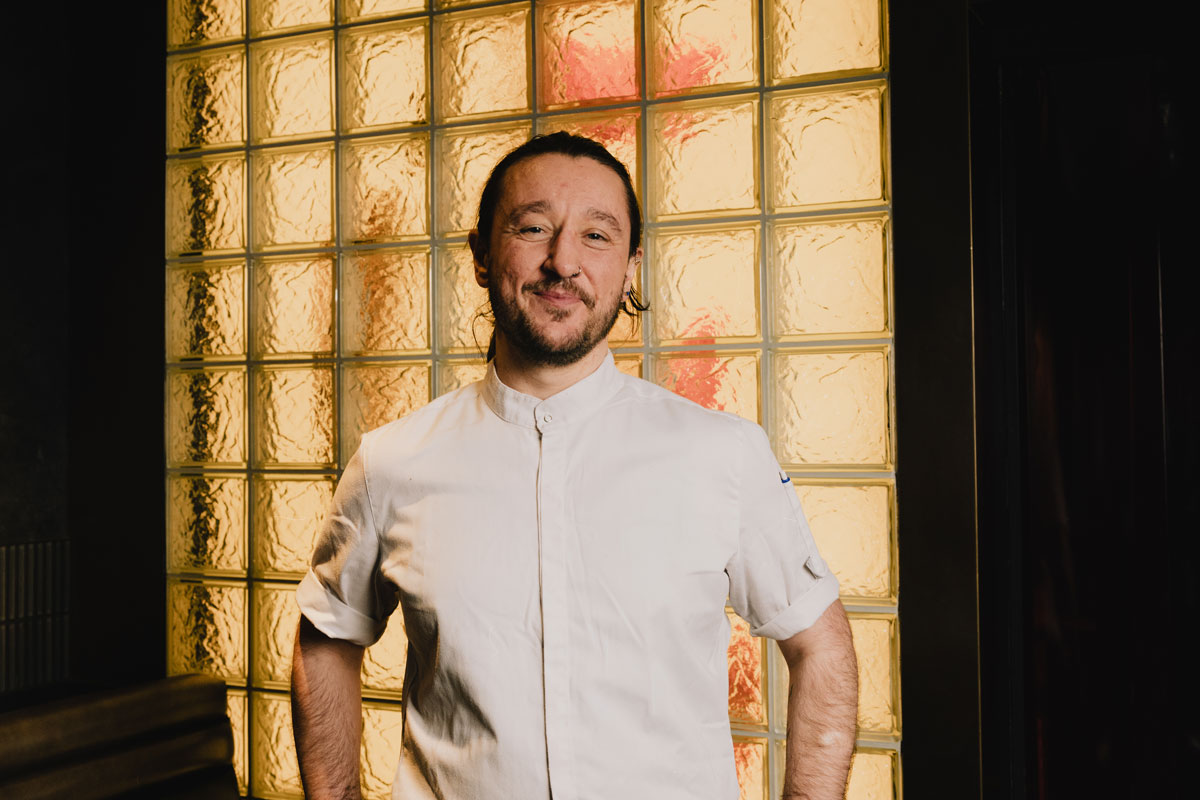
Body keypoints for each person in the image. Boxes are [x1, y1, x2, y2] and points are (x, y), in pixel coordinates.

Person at [291, 132, 858, 800]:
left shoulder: (722, 454)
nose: (563, 261)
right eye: (533, 228)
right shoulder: (392, 462)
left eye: (597, 235)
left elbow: (821, 647)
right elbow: (325, 639)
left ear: (629, 265)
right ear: (481, 255)